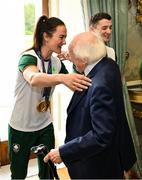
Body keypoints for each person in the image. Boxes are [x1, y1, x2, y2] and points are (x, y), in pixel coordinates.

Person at [8, 15, 92, 180]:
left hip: (44, 124)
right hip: (21, 127)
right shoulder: (28, 57)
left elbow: (76, 83)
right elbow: (33, 79)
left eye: (65, 38)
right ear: (46, 37)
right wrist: (61, 78)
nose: (64, 42)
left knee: (48, 172)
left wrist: (73, 59)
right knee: (18, 174)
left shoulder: (56, 63)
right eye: (61, 37)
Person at [44, 32, 137, 179]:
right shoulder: (109, 65)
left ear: (84, 59)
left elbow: (101, 135)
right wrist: (74, 58)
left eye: (73, 56)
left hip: (95, 165)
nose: (70, 57)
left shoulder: (99, 86)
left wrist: (64, 152)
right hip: (111, 157)